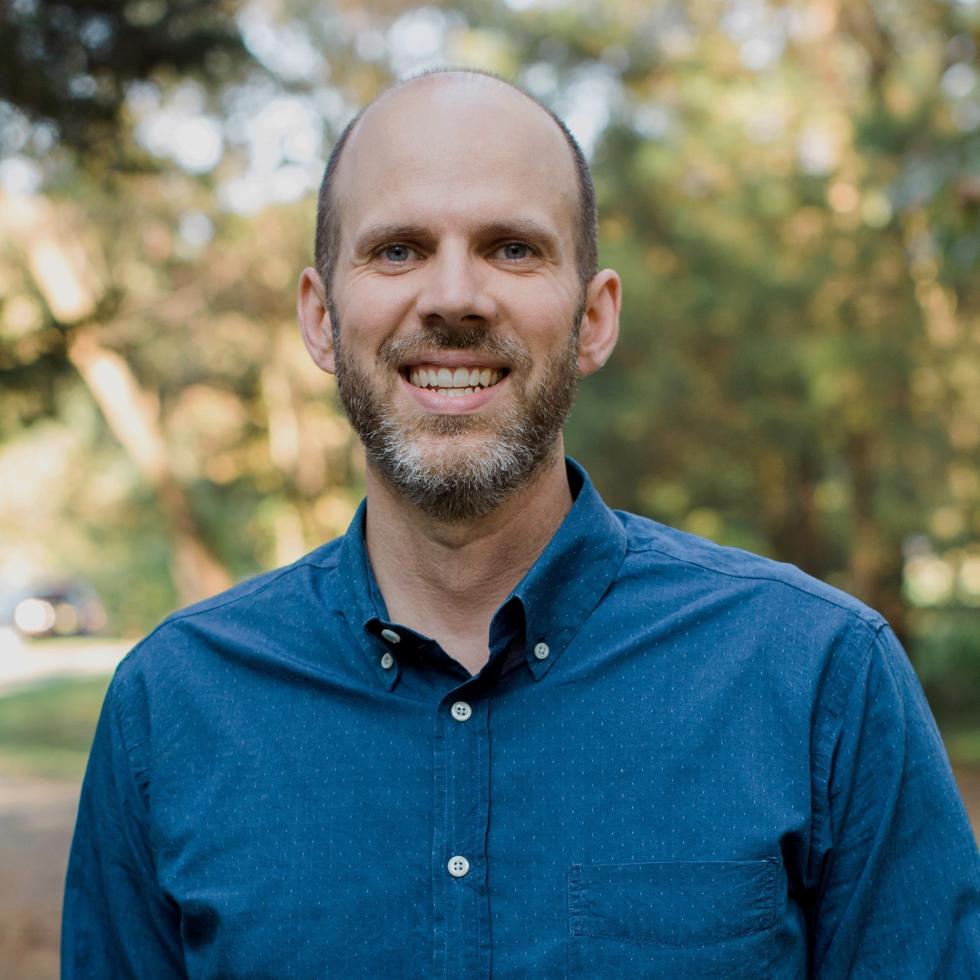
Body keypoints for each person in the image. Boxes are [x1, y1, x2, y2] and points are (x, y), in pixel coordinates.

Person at [63, 68, 979, 978]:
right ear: (320, 318)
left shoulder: (819, 676)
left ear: (593, 317)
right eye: (396, 250)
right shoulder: (171, 708)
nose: (454, 297)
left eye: (511, 249)